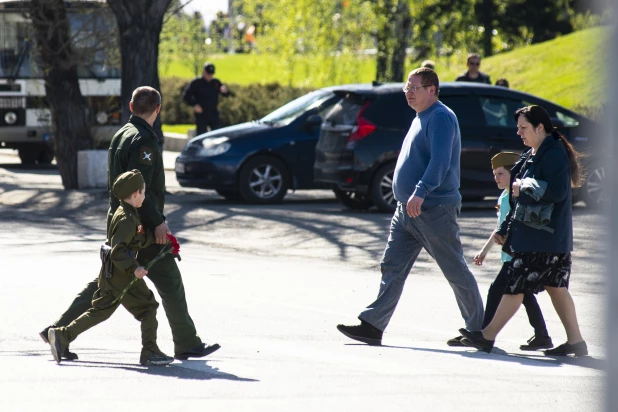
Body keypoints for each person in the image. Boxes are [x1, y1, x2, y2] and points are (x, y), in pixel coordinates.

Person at [40, 86, 220, 361]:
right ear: (157, 110)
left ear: (131, 107)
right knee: (168, 280)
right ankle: (185, 343)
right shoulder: (143, 141)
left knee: (107, 281)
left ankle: (57, 329)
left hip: (120, 219)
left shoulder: (122, 134)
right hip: (141, 225)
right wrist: (158, 223)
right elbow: (139, 192)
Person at [336, 67, 485, 346]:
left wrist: (420, 191)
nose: (408, 92)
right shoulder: (421, 116)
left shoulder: (441, 117)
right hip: (406, 211)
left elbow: (439, 162)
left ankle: (479, 330)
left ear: (431, 90)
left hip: (433, 209)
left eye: (414, 87)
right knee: (392, 266)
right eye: (407, 87)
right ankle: (372, 325)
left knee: (454, 269)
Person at [459, 105, 588, 357]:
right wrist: (506, 226)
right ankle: (576, 342)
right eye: (518, 127)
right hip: (543, 236)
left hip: (542, 237)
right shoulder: (533, 153)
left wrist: (524, 188)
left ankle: (486, 336)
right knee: (555, 287)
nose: (519, 132)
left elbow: (558, 192)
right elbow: (515, 198)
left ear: (540, 127)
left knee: (516, 286)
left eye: (524, 127)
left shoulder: (552, 154)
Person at [47, 170, 174, 366]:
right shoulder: (127, 219)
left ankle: (62, 336)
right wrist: (134, 269)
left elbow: (136, 238)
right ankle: (150, 351)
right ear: (134, 194)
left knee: (103, 310)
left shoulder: (128, 213)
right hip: (121, 274)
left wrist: (161, 241)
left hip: (115, 272)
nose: (144, 196)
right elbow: (118, 251)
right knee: (146, 307)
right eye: (143, 192)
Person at [447, 152, 553, 351]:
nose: (496, 178)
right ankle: (542, 336)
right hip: (509, 255)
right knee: (525, 295)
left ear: (513, 173)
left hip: (517, 255)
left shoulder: (517, 196)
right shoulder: (505, 196)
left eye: (501, 173)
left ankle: (482, 334)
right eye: (494, 174)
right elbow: (499, 229)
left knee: (496, 291)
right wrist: (484, 251)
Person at [182, 62, 231, 135]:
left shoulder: (215, 82)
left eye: (211, 74)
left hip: (213, 113)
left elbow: (226, 94)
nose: (210, 76)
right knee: (202, 136)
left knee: (218, 134)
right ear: (203, 71)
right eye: (208, 74)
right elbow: (186, 95)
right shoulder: (196, 82)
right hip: (201, 114)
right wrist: (195, 105)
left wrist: (225, 91)